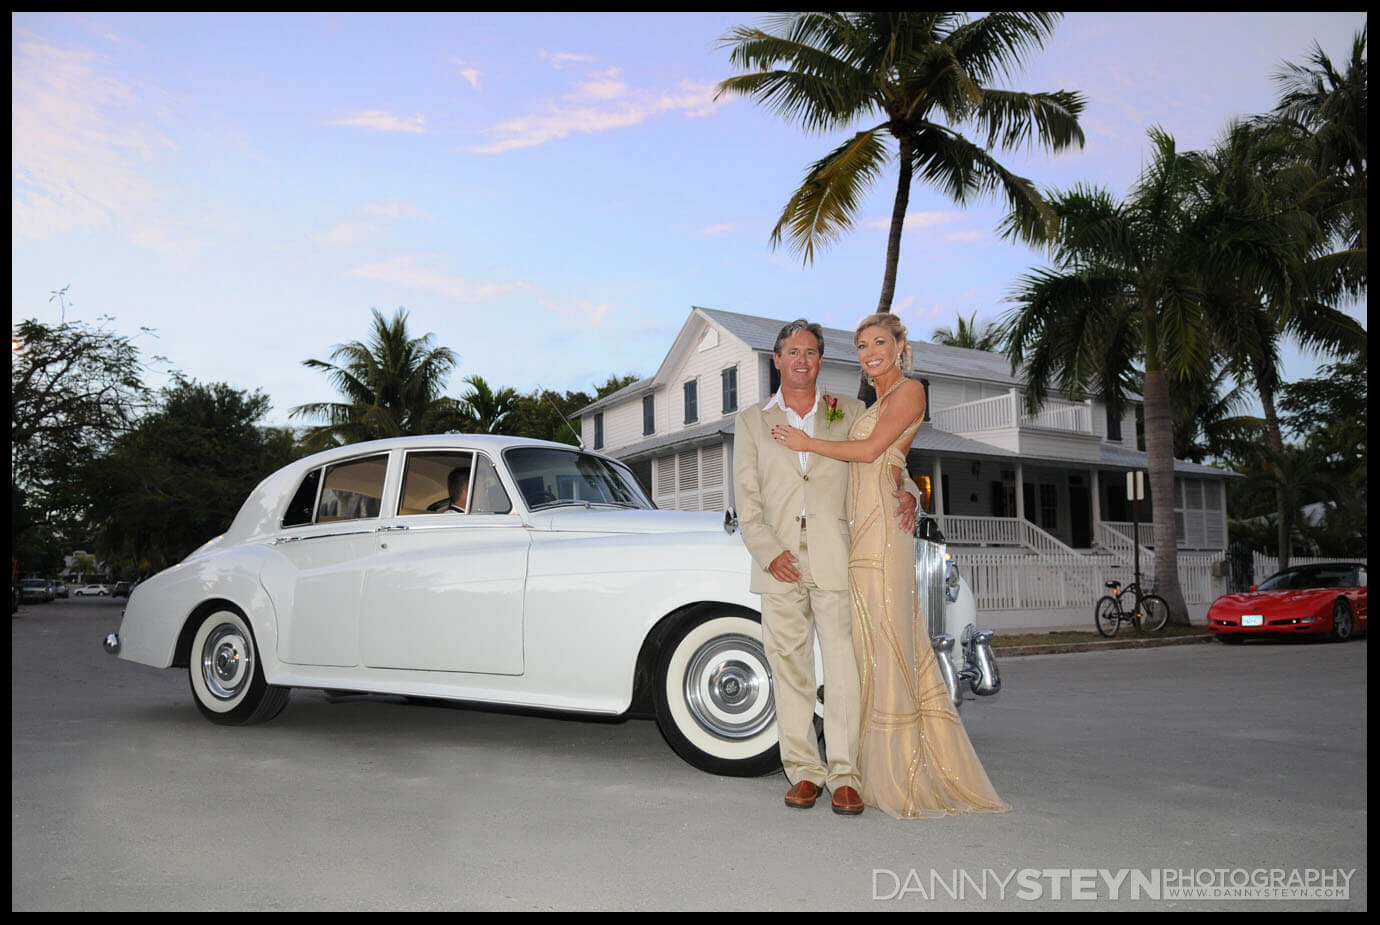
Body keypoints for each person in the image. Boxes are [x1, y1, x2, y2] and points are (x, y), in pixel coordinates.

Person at [772, 313, 1009, 820]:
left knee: (889, 640)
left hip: (881, 537)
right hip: (860, 530)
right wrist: (907, 489)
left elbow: (873, 449)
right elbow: (892, 461)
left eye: (880, 342)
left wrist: (806, 442)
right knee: (867, 648)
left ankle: (903, 770)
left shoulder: (910, 391)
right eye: (861, 345)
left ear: (901, 346)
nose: (870, 352)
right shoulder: (873, 402)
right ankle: (868, 769)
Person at [733, 319, 918, 816]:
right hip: (779, 564)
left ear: (820, 361)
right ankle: (804, 771)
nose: (802, 360)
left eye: (811, 352)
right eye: (792, 352)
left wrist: (911, 494)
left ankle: (844, 775)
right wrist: (770, 552)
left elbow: (887, 459)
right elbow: (746, 502)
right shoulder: (751, 421)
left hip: (840, 559)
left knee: (843, 669)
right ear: (777, 361)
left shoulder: (851, 412)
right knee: (790, 669)